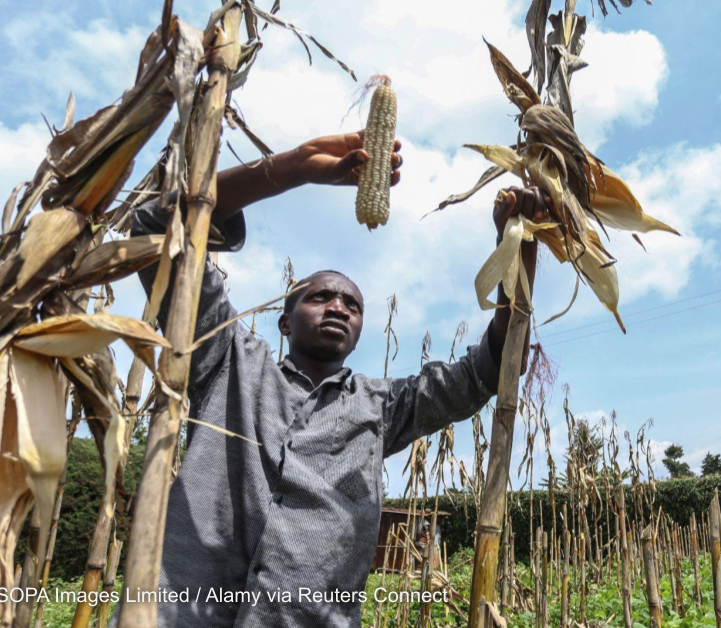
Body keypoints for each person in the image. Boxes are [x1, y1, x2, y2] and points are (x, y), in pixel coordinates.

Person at [124, 131, 549, 627]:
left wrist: (515, 250)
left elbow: (487, 371)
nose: (339, 308)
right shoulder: (228, 359)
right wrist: (299, 167)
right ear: (285, 322)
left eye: (352, 305)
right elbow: (159, 222)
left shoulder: (380, 407)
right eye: (320, 297)